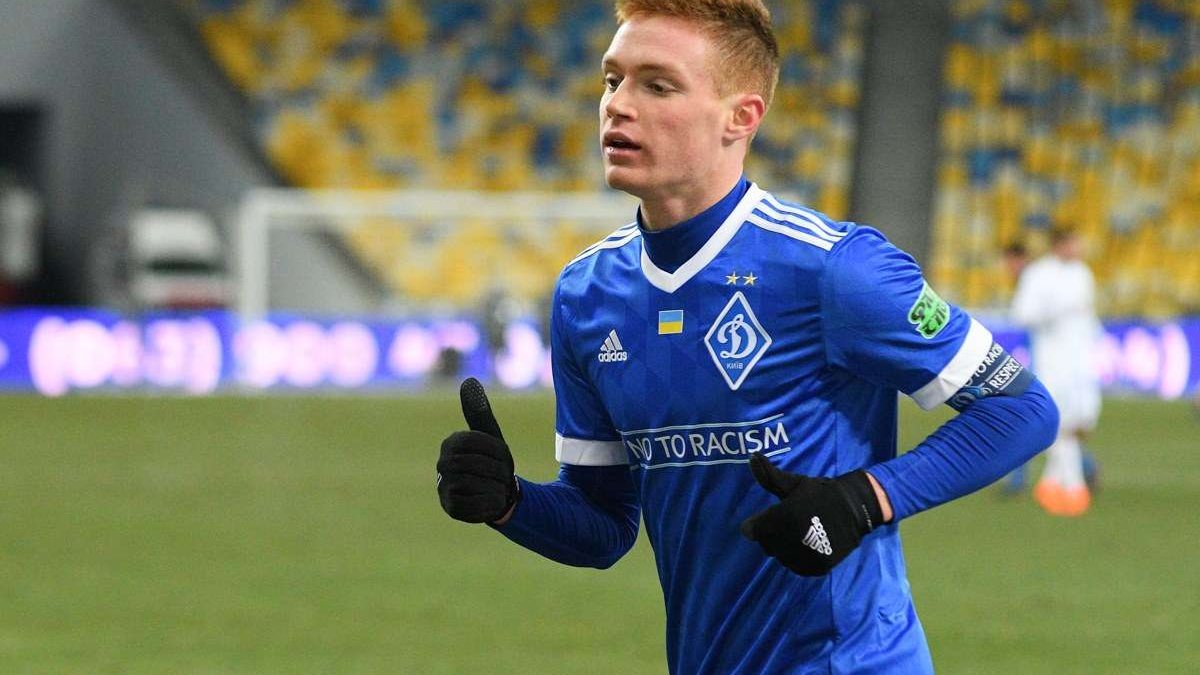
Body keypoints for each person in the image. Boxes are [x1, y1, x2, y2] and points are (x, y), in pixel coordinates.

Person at [436, 2, 1058, 673]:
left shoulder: (835, 269)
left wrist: (864, 498)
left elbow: (1021, 408)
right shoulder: (586, 296)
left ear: (741, 116)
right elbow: (603, 526)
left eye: (658, 85)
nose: (618, 105)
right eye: (613, 80)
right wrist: (511, 502)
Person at [1011, 227, 1102, 517]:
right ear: (1060, 244)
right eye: (1075, 242)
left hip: (1081, 363)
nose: (1079, 248)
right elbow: (1022, 314)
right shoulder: (1038, 274)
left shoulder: (1083, 273)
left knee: (1081, 423)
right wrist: (1057, 310)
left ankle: (1050, 483)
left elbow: (1086, 315)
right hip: (1052, 362)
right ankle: (1074, 487)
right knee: (1059, 423)